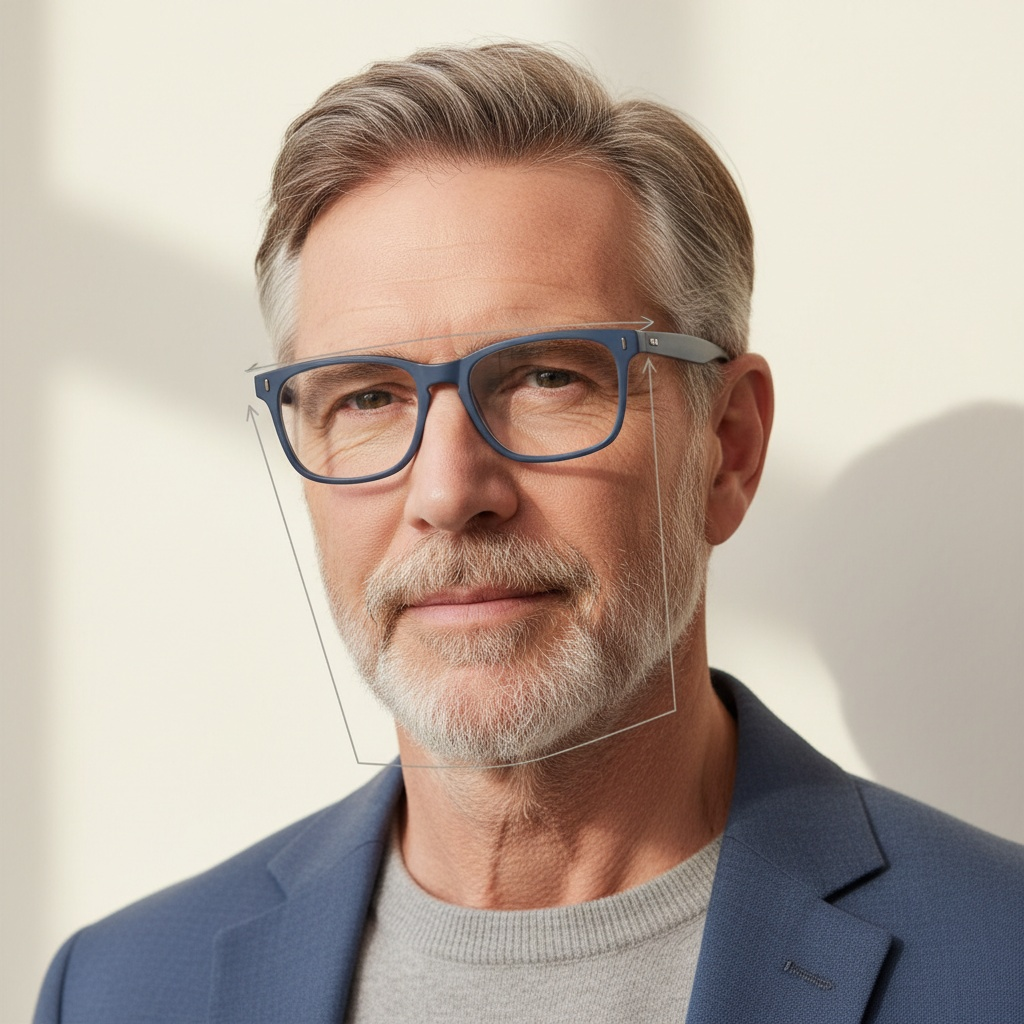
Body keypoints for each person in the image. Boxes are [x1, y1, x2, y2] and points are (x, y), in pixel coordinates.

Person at [35, 42, 1023, 1024]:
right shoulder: (118, 992)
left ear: (726, 448)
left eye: (550, 378)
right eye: (368, 397)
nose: (448, 491)